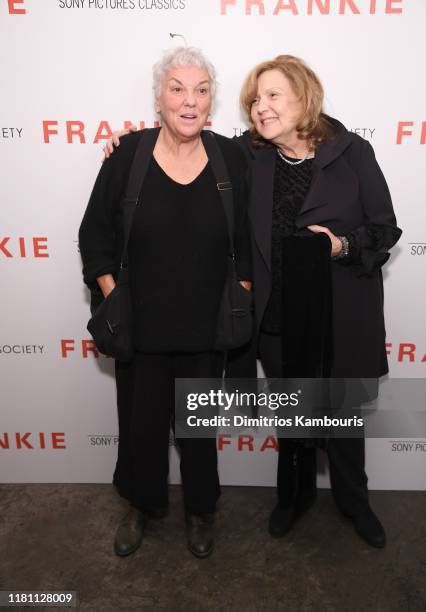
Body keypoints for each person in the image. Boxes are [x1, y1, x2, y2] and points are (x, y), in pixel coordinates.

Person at [104, 54, 401, 548]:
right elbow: (185, 138)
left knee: (342, 418)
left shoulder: (353, 153)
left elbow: (384, 228)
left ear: (304, 98)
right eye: (254, 100)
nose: (260, 108)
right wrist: (123, 142)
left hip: (339, 315)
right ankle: (293, 498)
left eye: (272, 96)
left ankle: (355, 502)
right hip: (275, 318)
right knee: (292, 418)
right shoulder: (249, 156)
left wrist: (341, 245)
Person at [79, 47, 252, 559]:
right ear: (159, 96)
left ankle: (202, 510)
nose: (189, 100)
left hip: (206, 330)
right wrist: (115, 297)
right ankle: (140, 505)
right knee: (141, 428)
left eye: (201, 90)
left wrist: (240, 292)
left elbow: (245, 238)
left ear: (211, 100)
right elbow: (94, 236)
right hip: (141, 329)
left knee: (198, 432)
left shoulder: (232, 157)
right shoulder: (128, 156)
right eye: (177, 88)